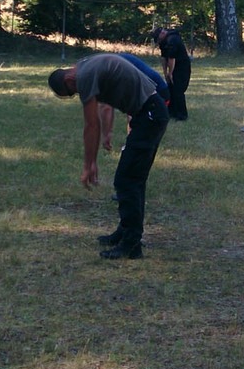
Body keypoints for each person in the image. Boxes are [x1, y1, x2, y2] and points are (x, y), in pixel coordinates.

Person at [49, 54, 170, 260]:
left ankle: (132, 244)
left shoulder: (84, 77)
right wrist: (108, 134)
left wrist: (90, 164)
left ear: (69, 81)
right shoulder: (85, 65)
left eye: (71, 93)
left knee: (127, 181)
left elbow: (90, 124)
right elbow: (105, 108)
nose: (76, 95)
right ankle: (125, 232)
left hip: (149, 115)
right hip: (150, 113)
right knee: (133, 179)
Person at [151, 27, 192, 121]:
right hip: (173, 65)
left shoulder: (173, 40)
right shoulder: (164, 41)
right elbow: (163, 58)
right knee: (170, 89)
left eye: (159, 39)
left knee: (178, 90)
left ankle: (182, 115)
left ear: (162, 34)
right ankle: (171, 112)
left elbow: (171, 58)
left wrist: (171, 73)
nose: (159, 41)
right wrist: (165, 73)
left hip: (182, 67)